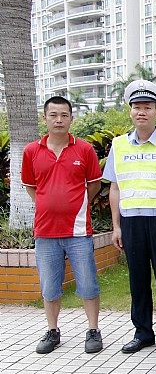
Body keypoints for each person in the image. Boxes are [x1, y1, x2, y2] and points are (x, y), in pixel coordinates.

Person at [105, 80, 156, 355]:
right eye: (137, 107)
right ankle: (142, 333)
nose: (142, 112)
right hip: (131, 222)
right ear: (130, 111)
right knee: (137, 281)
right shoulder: (118, 145)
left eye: (147, 107)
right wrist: (116, 226)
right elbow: (115, 188)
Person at [22, 96, 103, 354]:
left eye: (64, 115)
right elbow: (31, 187)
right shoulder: (31, 151)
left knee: (88, 283)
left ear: (71, 118)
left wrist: (75, 203)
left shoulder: (84, 150)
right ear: (44, 118)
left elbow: (94, 184)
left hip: (78, 231)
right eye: (53, 115)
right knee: (49, 286)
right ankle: (52, 330)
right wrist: (48, 203)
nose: (59, 120)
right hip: (45, 232)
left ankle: (93, 330)